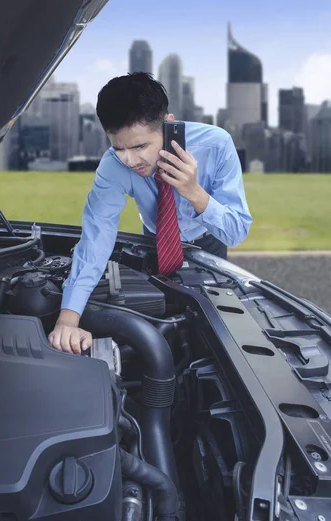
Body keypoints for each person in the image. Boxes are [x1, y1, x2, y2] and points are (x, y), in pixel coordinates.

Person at [48, 72, 252, 354]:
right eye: (119, 147)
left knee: (211, 335)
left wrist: (194, 192)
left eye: (140, 146)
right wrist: (68, 318)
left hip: (208, 242)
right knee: (159, 320)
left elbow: (236, 232)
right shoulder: (112, 166)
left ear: (168, 125)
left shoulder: (216, 145)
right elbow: (96, 238)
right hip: (156, 241)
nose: (130, 160)